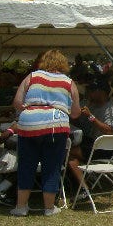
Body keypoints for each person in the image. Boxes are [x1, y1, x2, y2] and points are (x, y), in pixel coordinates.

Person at [11, 49, 81, 216]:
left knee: (26, 164)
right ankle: (49, 208)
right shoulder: (69, 82)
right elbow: (76, 112)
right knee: (52, 166)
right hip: (56, 125)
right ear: (63, 63)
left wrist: (31, 109)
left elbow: (17, 102)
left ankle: (21, 207)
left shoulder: (32, 77)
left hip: (29, 124)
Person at [67, 76, 113, 198]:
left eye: (92, 90)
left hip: (106, 148)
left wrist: (91, 117)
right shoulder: (92, 105)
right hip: (93, 142)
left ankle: (83, 188)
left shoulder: (111, 108)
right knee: (67, 146)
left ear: (101, 92)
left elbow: (109, 130)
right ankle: (77, 184)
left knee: (68, 152)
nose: (89, 93)